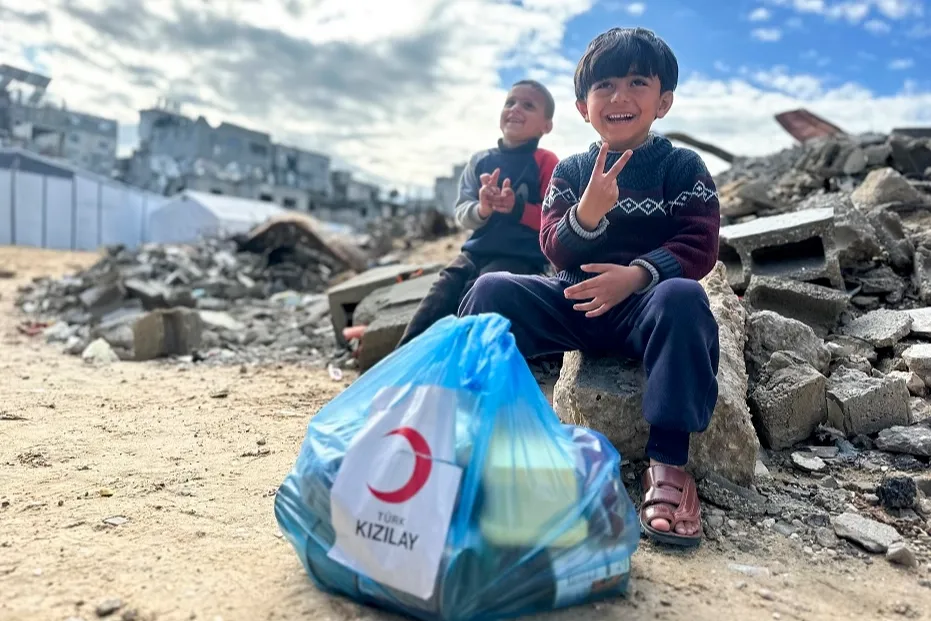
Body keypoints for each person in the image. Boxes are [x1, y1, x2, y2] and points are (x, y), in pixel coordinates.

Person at [458, 27, 721, 547]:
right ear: (583, 106)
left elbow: (701, 243)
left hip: (643, 308)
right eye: (604, 86)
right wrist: (587, 213)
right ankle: (469, 430)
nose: (619, 97)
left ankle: (668, 465)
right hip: (573, 301)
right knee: (491, 290)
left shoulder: (681, 167)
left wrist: (638, 275)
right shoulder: (573, 170)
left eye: (637, 82)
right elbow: (553, 246)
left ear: (663, 101)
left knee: (685, 298)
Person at [396, 80, 560, 348]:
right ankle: (405, 360)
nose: (515, 109)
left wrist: (517, 209)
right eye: (510, 102)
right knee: (441, 293)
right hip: (474, 251)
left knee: (481, 296)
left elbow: (553, 220)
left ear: (546, 125)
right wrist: (482, 208)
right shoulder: (480, 162)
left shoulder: (546, 162)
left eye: (528, 105)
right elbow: (462, 212)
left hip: (520, 257)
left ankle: (462, 367)